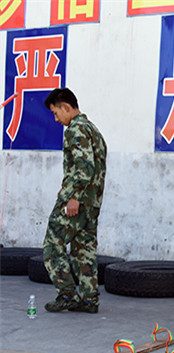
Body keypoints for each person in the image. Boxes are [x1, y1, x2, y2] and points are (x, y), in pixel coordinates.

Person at [42, 88, 106, 313]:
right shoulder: (92, 129)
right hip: (92, 203)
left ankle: (67, 295)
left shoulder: (76, 129)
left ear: (66, 107)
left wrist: (74, 196)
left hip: (77, 202)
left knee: (52, 245)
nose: (56, 119)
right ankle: (89, 300)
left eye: (56, 113)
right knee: (83, 249)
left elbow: (84, 166)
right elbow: (89, 166)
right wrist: (68, 186)